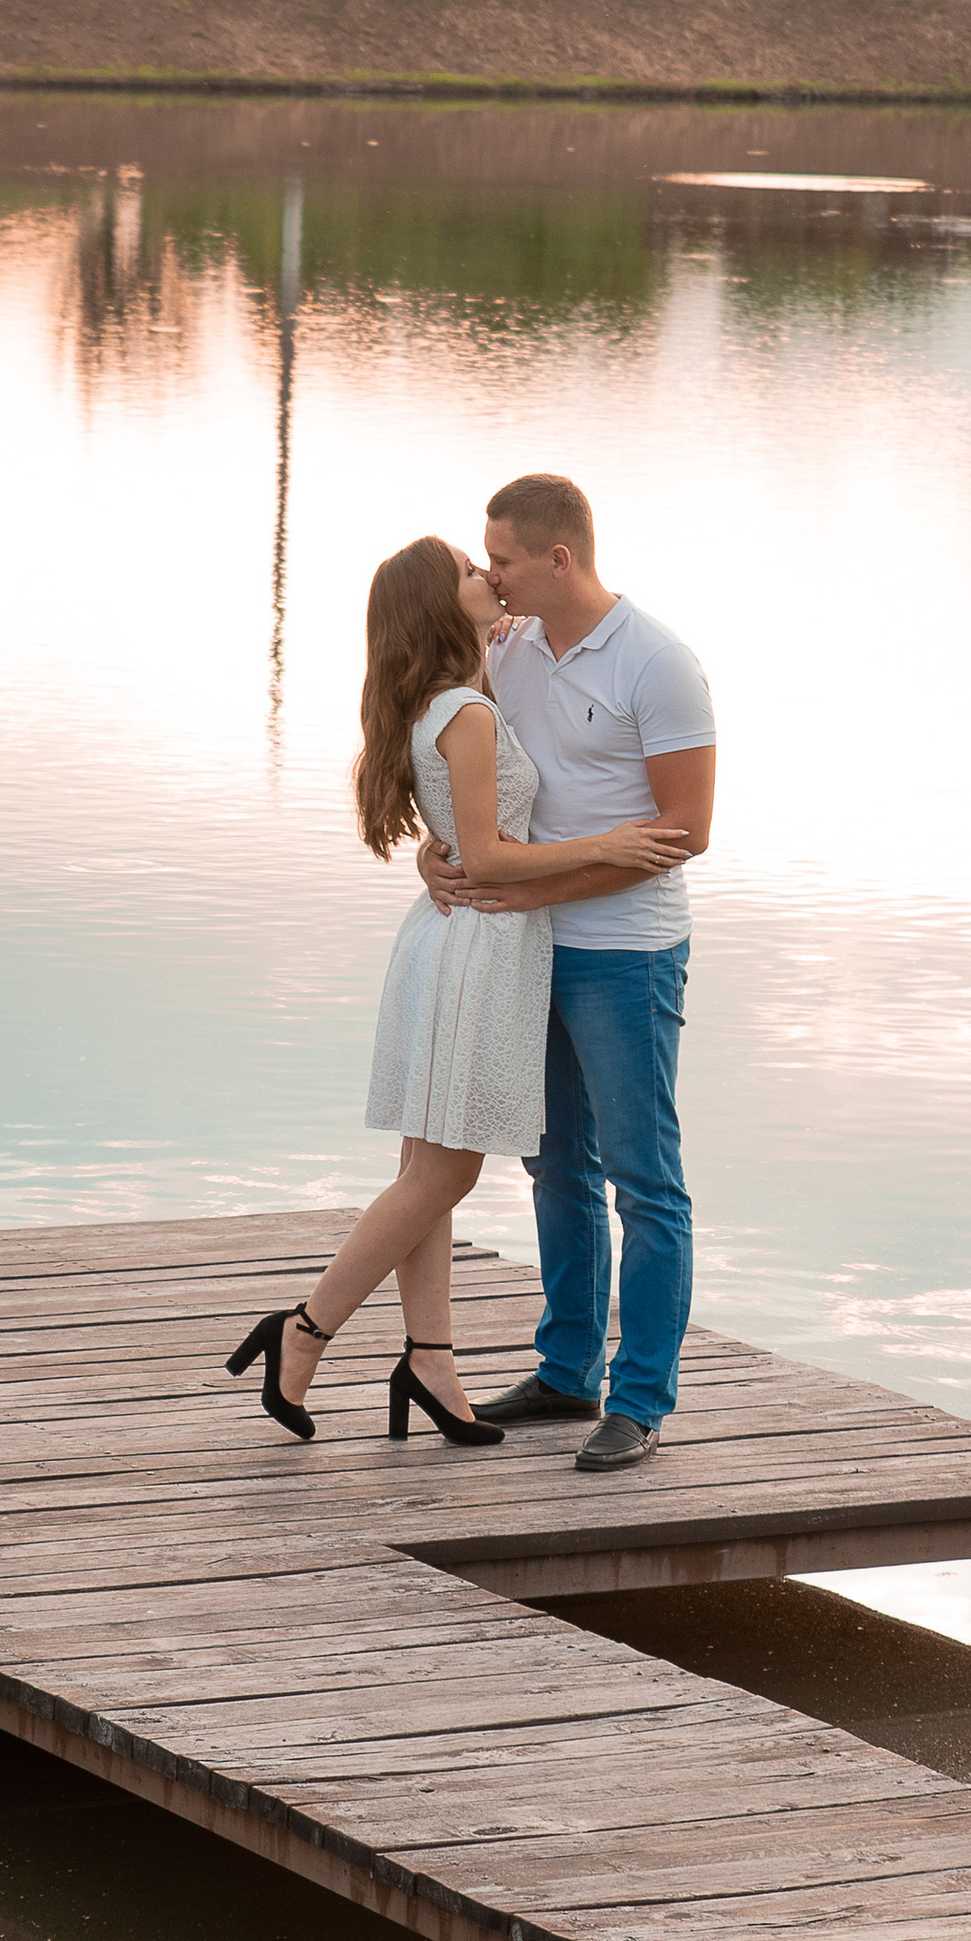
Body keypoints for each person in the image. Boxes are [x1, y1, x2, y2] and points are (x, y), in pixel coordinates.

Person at [226, 534, 687, 1446]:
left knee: (424, 1173)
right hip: (479, 948)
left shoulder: (450, 693)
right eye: (471, 572)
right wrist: (609, 844)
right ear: (445, 606)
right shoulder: (467, 711)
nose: (488, 577)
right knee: (447, 1171)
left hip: (449, 943)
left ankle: (431, 1359)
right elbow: (483, 856)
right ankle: (305, 1332)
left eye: (494, 563)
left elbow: (459, 840)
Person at [421, 472, 715, 1473]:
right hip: (529, 945)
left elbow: (685, 832)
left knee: (645, 1180)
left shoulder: (658, 664)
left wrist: (538, 892)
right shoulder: (509, 651)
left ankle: (638, 1403)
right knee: (553, 1167)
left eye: (499, 558)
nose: (486, 573)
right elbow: (474, 774)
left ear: (558, 558)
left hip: (626, 956)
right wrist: (440, 853)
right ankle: (565, 1370)